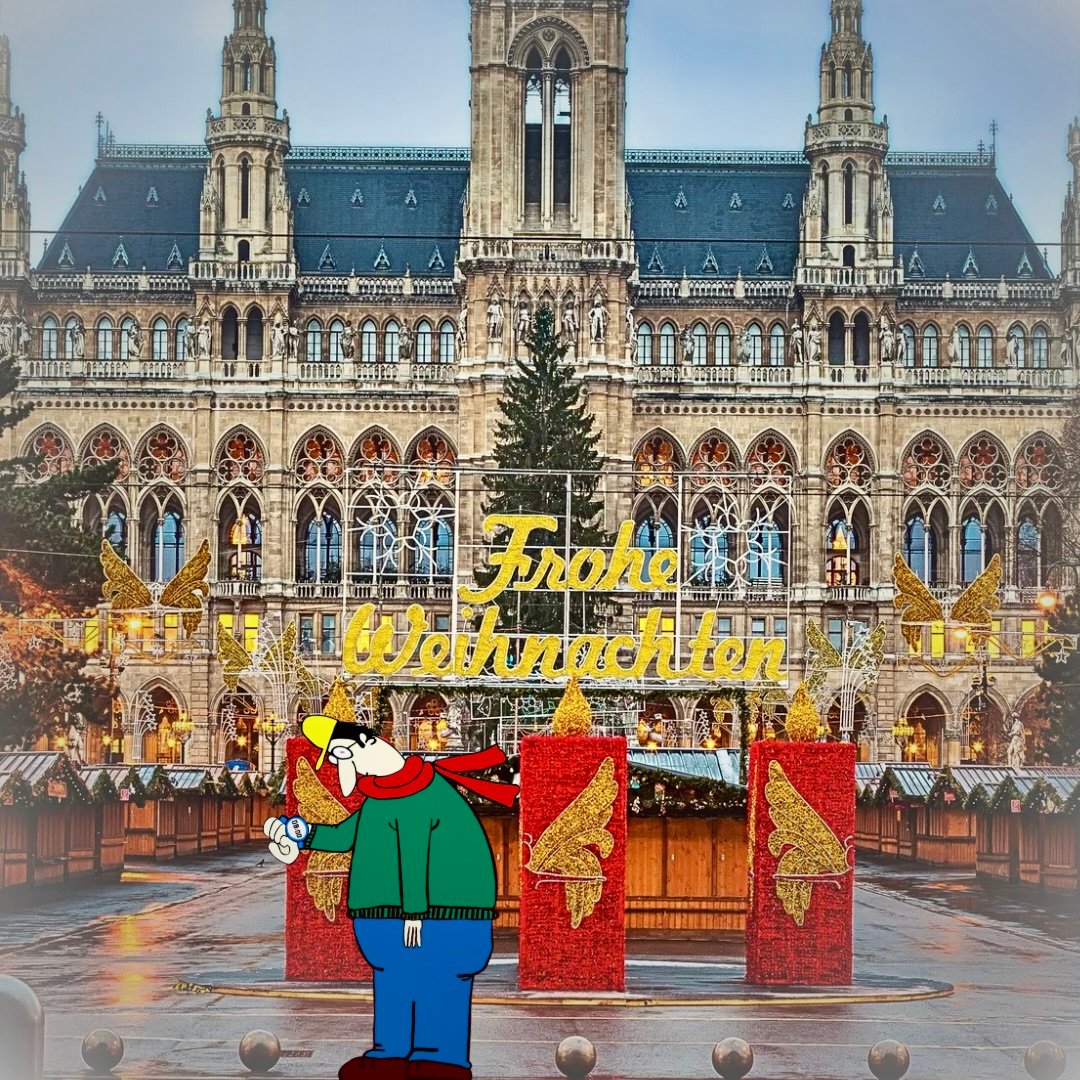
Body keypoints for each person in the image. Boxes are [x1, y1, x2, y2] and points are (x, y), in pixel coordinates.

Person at [265, 716, 518, 1080]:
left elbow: (415, 849)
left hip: (441, 916)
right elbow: (344, 835)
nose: (341, 768)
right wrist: (301, 833)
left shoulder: (417, 791)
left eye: (341, 757)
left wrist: (413, 913)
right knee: (395, 978)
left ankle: (440, 1058)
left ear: (364, 747)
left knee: (436, 981)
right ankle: (391, 1053)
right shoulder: (383, 795)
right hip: (389, 915)